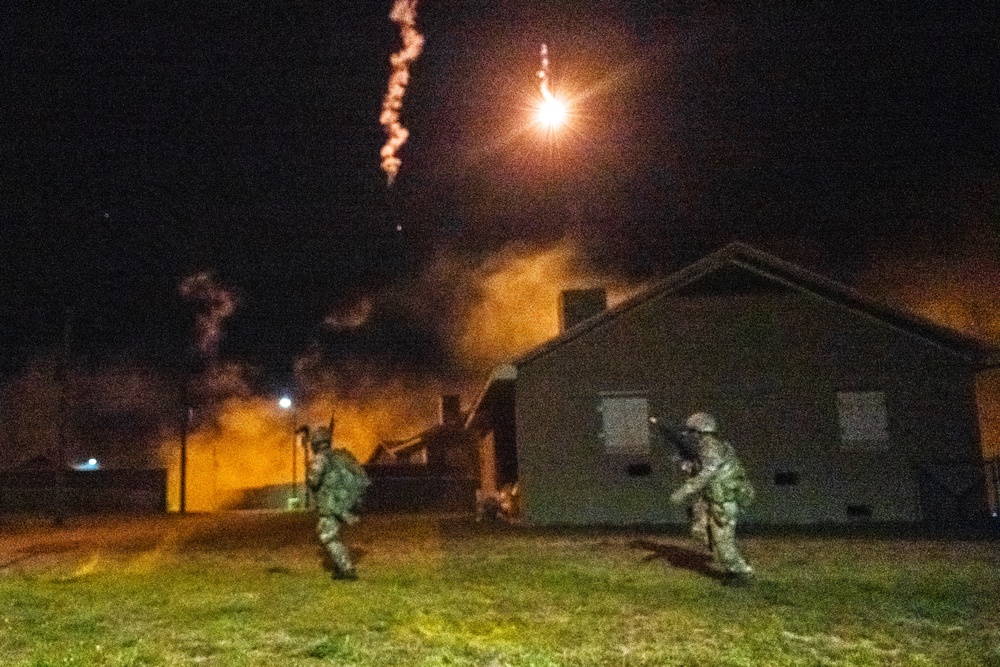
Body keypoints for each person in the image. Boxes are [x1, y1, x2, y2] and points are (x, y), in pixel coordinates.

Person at [669, 412, 755, 584]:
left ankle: (741, 572)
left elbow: (707, 474)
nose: (691, 436)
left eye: (693, 432)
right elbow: (703, 468)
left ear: (700, 431)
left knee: (722, 541)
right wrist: (688, 465)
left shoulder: (711, 446)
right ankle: (733, 564)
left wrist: (683, 492)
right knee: (701, 531)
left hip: (723, 500)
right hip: (713, 497)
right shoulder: (709, 447)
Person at [306, 424, 370, 580]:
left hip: (330, 504)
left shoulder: (321, 458)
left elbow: (313, 481)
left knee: (328, 536)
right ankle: (340, 568)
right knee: (333, 535)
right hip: (341, 504)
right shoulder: (338, 457)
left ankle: (346, 569)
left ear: (315, 444)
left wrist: (309, 470)